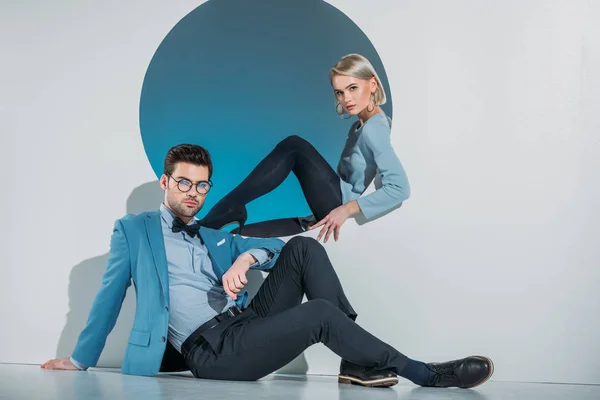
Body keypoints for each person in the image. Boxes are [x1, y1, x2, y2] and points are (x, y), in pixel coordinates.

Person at [42, 144, 493, 389]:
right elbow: (109, 295)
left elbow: (276, 249)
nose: (193, 193)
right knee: (318, 314)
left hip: (245, 321)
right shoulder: (134, 230)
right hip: (211, 352)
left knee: (303, 248)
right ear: (165, 182)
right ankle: (425, 374)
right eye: (184, 182)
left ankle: (355, 364)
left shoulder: (212, 232)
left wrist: (246, 255)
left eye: (202, 185)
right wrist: (80, 360)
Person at [201, 54, 410, 242]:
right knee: (239, 237)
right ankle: (215, 224)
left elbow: (399, 188)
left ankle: (229, 207)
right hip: (323, 213)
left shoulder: (375, 128)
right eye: (339, 92)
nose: (346, 99)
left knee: (294, 146)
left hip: (339, 209)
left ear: (373, 84)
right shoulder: (360, 127)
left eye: (353, 88)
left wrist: (345, 210)